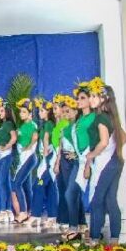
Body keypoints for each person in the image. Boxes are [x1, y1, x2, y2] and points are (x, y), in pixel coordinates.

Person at [85, 78, 126, 244]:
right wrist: (115, 151)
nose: (91, 99)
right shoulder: (111, 116)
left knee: (97, 200)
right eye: (91, 96)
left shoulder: (101, 118)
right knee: (110, 200)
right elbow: (123, 137)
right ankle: (114, 239)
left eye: (95, 96)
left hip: (106, 163)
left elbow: (103, 142)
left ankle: (94, 238)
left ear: (103, 99)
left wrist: (91, 155)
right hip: (115, 161)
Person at [62, 82, 96, 241]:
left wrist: (90, 157)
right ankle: (74, 227)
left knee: (97, 196)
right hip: (79, 161)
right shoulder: (80, 120)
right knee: (70, 193)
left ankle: (90, 230)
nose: (79, 100)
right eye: (78, 98)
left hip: (91, 160)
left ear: (90, 100)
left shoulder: (94, 117)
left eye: (82, 98)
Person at [28, 98, 58, 228]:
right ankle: (52, 217)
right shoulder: (45, 124)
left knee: (38, 185)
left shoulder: (48, 124)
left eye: (41, 110)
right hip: (46, 158)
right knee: (51, 187)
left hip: (49, 159)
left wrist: (45, 151)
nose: (39, 113)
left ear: (48, 112)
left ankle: (35, 215)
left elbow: (46, 138)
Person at [0, 98, 17, 224]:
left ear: (7, 111)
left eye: (2, 111)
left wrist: (6, 146)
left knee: (1, 182)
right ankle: (8, 211)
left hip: (6, 155)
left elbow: (14, 137)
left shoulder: (9, 124)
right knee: (5, 182)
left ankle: (3, 210)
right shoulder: (1, 125)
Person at [11, 98, 38, 224]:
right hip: (23, 158)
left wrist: (30, 145)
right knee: (27, 186)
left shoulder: (33, 125)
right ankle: (31, 211)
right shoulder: (23, 125)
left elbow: (35, 136)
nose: (21, 114)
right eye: (20, 112)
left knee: (16, 184)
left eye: (24, 112)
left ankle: (23, 212)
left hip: (30, 158)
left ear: (30, 114)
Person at [51, 94, 74, 230]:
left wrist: (58, 161)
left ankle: (67, 218)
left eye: (56, 108)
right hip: (57, 156)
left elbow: (62, 144)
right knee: (61, 188)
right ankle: (62, 217)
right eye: (53, 109)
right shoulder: (58, 124)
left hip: (63, 157)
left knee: (66, 189)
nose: (54, 112)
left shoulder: (65, 124)